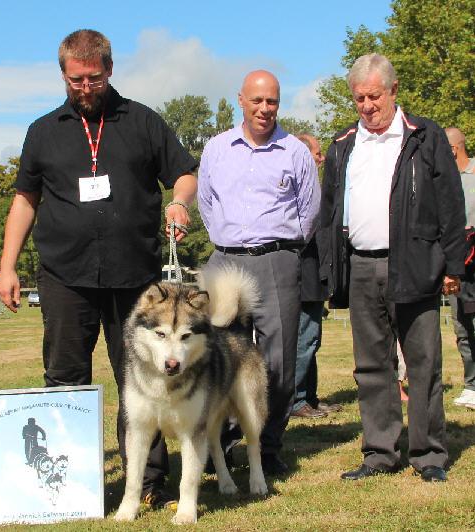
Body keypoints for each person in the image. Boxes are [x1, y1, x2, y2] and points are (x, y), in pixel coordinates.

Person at [0, 29, 197, 507]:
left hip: (135, 280)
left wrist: (180, 202)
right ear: (62, 74)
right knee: (65, 376)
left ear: (109, 70)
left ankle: (147, 484)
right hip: (66, 276)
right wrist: (7, 266)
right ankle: (66, 486)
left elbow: (184, 172)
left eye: (93, 78)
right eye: (75, 79)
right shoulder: (43, 131)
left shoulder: (144, 122)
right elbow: (25, 200)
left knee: (143, 380)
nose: (85, 87)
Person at [319, 53, 464, 483]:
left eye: (374, 96)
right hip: (362, 265)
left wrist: (453, 265)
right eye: (359, 98)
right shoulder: (344, 145)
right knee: (370, 365)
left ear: (394, 91)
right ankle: (380, 451)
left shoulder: (426, 137)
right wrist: (331, 270)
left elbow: (451, 206)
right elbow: (329, 212)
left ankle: (429, 454)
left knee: (423, 362)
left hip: (416, 263)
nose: (367, 105)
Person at [198, 70, 320, 475]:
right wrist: (228, 241)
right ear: (241, 100)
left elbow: (309, 212)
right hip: (226, 260)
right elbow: (207, 202)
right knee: (220, 358)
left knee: (278, 360)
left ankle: (267, 448)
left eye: (272, 102)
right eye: (257, 101)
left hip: (277, 260)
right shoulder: (216, 149)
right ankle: (224, 445)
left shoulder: (295, 151)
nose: (265, 109)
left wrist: (279, 248)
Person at [291, 133, 342, 418]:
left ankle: (309, 395)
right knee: (304, 338)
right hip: (303, 275)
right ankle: (296, 401)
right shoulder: (299, 192)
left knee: (313, 339)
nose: (321, 158)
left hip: (316, 276)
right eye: (317, 153)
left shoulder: (316, 190)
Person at [445, 127, 475, 409]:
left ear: (453, 149)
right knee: (461, 325)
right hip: (458, 263)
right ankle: (471, 384)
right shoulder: (444, 181)